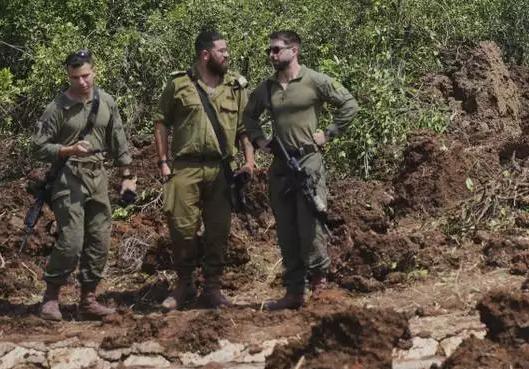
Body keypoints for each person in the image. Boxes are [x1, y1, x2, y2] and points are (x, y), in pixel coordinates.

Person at [243, 30, 359, 310]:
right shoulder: (267, 88)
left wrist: (328, 133)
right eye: (269, 51)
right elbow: (248, 115)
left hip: (308, 162)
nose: (272, 55)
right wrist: (259, 140)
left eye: (276, 50)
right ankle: (294, 291)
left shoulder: (314, 80)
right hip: (281, 165)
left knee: (311, 225)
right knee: (286, 228)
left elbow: (349, 104)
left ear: (294, 50)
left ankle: (319, 286)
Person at [31, 49, 135, 322]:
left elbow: (118, 139)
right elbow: (38, 147)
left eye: (86, 75)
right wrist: (68, 149)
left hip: (97, 176)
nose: (82, 82)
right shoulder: (58, 108)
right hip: (68, 177)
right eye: (75, 77)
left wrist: (127, 175)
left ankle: (88, 299)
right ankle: (51, 298)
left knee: (99, 239)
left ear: (94, 72)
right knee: (71, 241)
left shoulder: (106, 101)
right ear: (68, 76)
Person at [154, 30, 255, 311]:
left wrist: (249, 162)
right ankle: (184, 284)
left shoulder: (235, 87)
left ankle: (212, 287)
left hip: (222, 169)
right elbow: (161, 121)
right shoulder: (179, 85)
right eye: (222, 50)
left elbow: (245, 129)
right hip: (185, 168)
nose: (227, 55)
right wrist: (163, 162)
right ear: (205, 55)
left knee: (218, 231)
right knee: (181, 229)